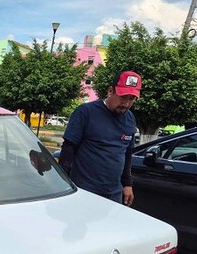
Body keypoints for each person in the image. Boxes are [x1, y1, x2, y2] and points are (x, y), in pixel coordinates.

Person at [59, 70, 141, 206]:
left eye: (131, 99)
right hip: (85, 191)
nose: (126, 104)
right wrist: (63, 184)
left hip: (114, 193)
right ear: (110, 91)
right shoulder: (86, 112)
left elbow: (127, 154)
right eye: (123, 97)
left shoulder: (130, 119)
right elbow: (68, 150)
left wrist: (127, 184)